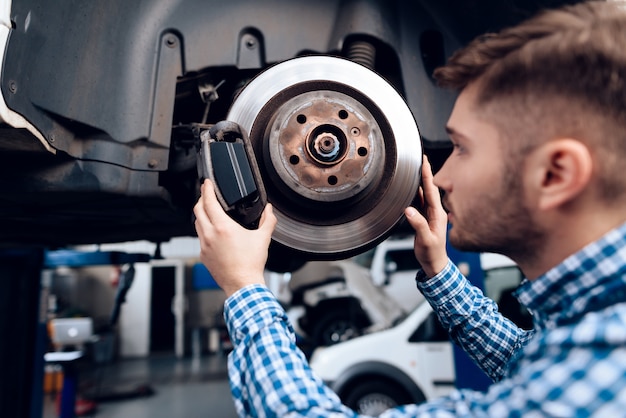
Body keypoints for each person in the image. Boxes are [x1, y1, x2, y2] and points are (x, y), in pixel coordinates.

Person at [193, 1, 626, 416]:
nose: (439, 178)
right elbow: (519, 358)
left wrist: (244, 288)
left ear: (555, 174)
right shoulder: (595, 339)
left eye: (462, 148)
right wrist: (439, 273)